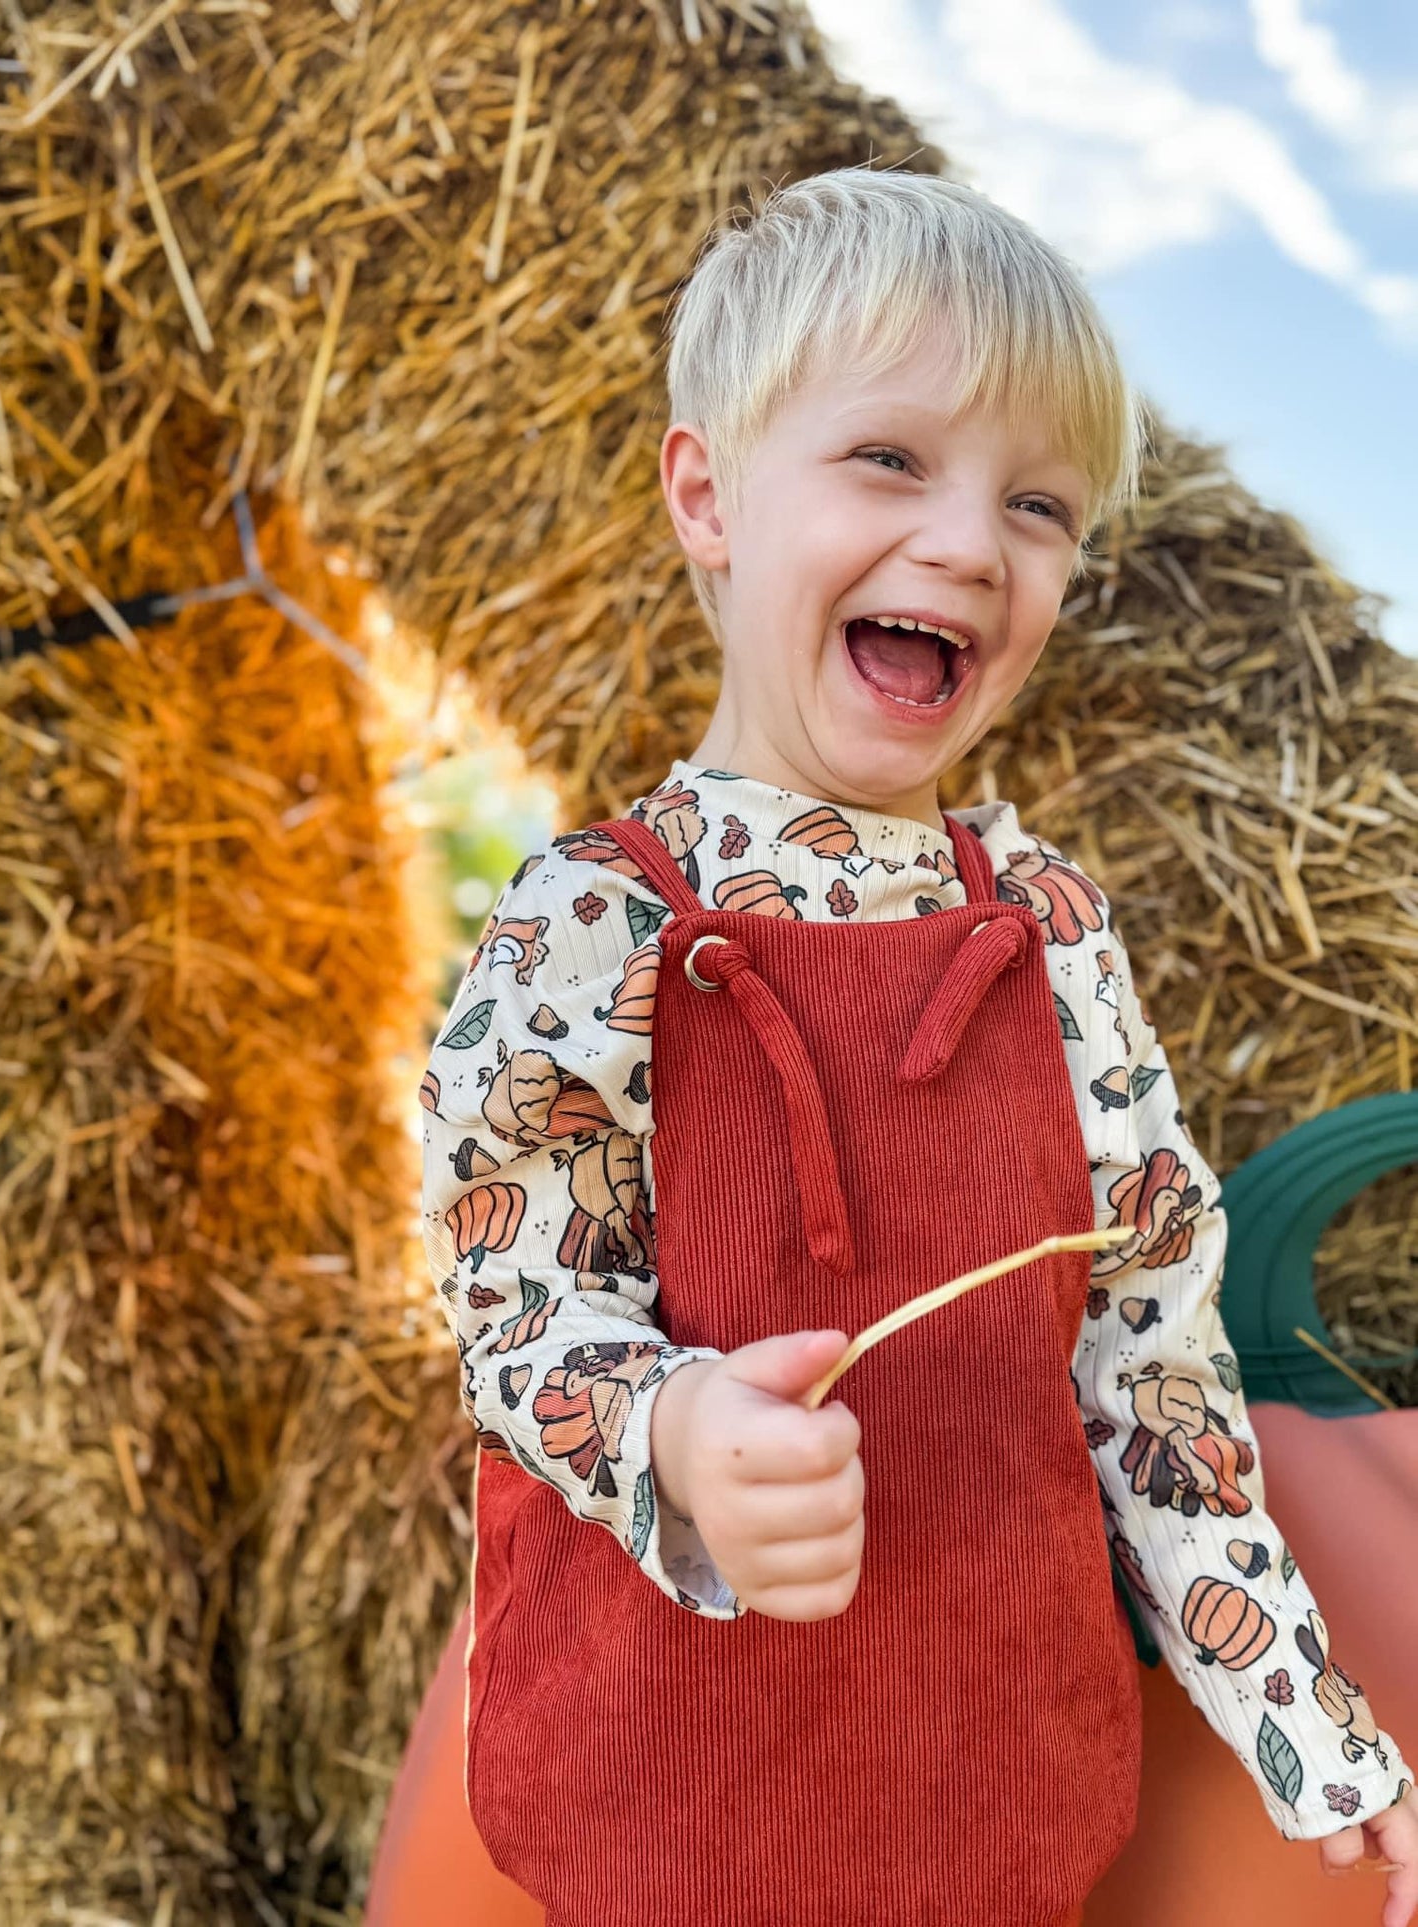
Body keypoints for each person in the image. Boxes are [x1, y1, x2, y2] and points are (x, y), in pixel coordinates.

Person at [419, 168, 1417, 1927]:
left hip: (995, 1786)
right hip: (669, 1802)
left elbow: (1152, 1376)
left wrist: (1308, 1732)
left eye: (1035, 505)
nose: (968, 540)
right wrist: (669, 1426)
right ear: (707, 492)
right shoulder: (598, 917)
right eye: (890, 461)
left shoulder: (1057, 939)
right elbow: (516, 1301)